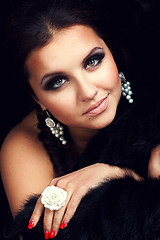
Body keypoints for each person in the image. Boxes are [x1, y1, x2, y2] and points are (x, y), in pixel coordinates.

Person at [0, 0, 160, 239]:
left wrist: (115, 176)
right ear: (37, 98)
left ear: (112, 52)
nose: (87, 92)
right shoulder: (24, 146)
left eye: (93, 61)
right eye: (58, 82)